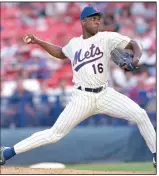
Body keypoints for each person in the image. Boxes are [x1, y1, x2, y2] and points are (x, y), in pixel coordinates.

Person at [0, 6, 156, 168]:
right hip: (82, 98)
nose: (97, 22)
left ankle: (156, 155)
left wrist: (136, 59)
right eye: (93, 19)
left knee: (141, 114)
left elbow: (134, 44)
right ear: (83, 21)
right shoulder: (74, 44)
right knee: (54, 134)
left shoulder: (106, 37)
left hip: (105, 94)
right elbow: (61, 53)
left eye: (98, 19)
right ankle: (7, 152)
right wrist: (39, 42)